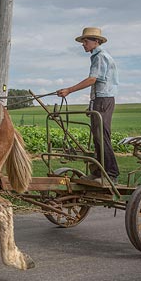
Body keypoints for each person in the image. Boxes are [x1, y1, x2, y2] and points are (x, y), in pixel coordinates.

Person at [56, 27, 120, 183]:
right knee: (97, 137)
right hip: (99, 100)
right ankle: (98, 172)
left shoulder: (101, 56)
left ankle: (111, 174)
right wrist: (91, 104)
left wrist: (69, 90)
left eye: (86, 41)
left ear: (96, 41)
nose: (83, 44)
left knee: (102, 136)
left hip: (104, 100)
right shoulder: (97, 56)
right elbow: (97, 84)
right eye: (83, 41)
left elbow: (93, 79)